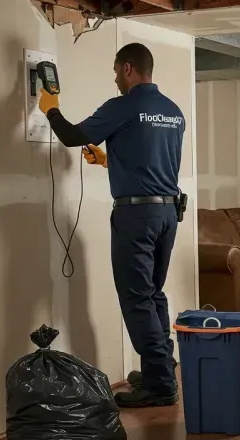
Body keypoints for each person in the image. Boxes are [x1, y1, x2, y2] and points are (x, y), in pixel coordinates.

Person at [38, 42, 186, 407]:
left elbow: (72, 136)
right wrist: (109, 160)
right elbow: (151, 158)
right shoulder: (173, 111)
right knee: (153, 293)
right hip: (167, 212)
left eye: (116, 70)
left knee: (136, 297)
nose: (115, 78)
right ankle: (160, 368)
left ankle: (160, 386)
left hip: (136, 215)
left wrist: (51, 110)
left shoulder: (123, 106)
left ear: (129, 69)